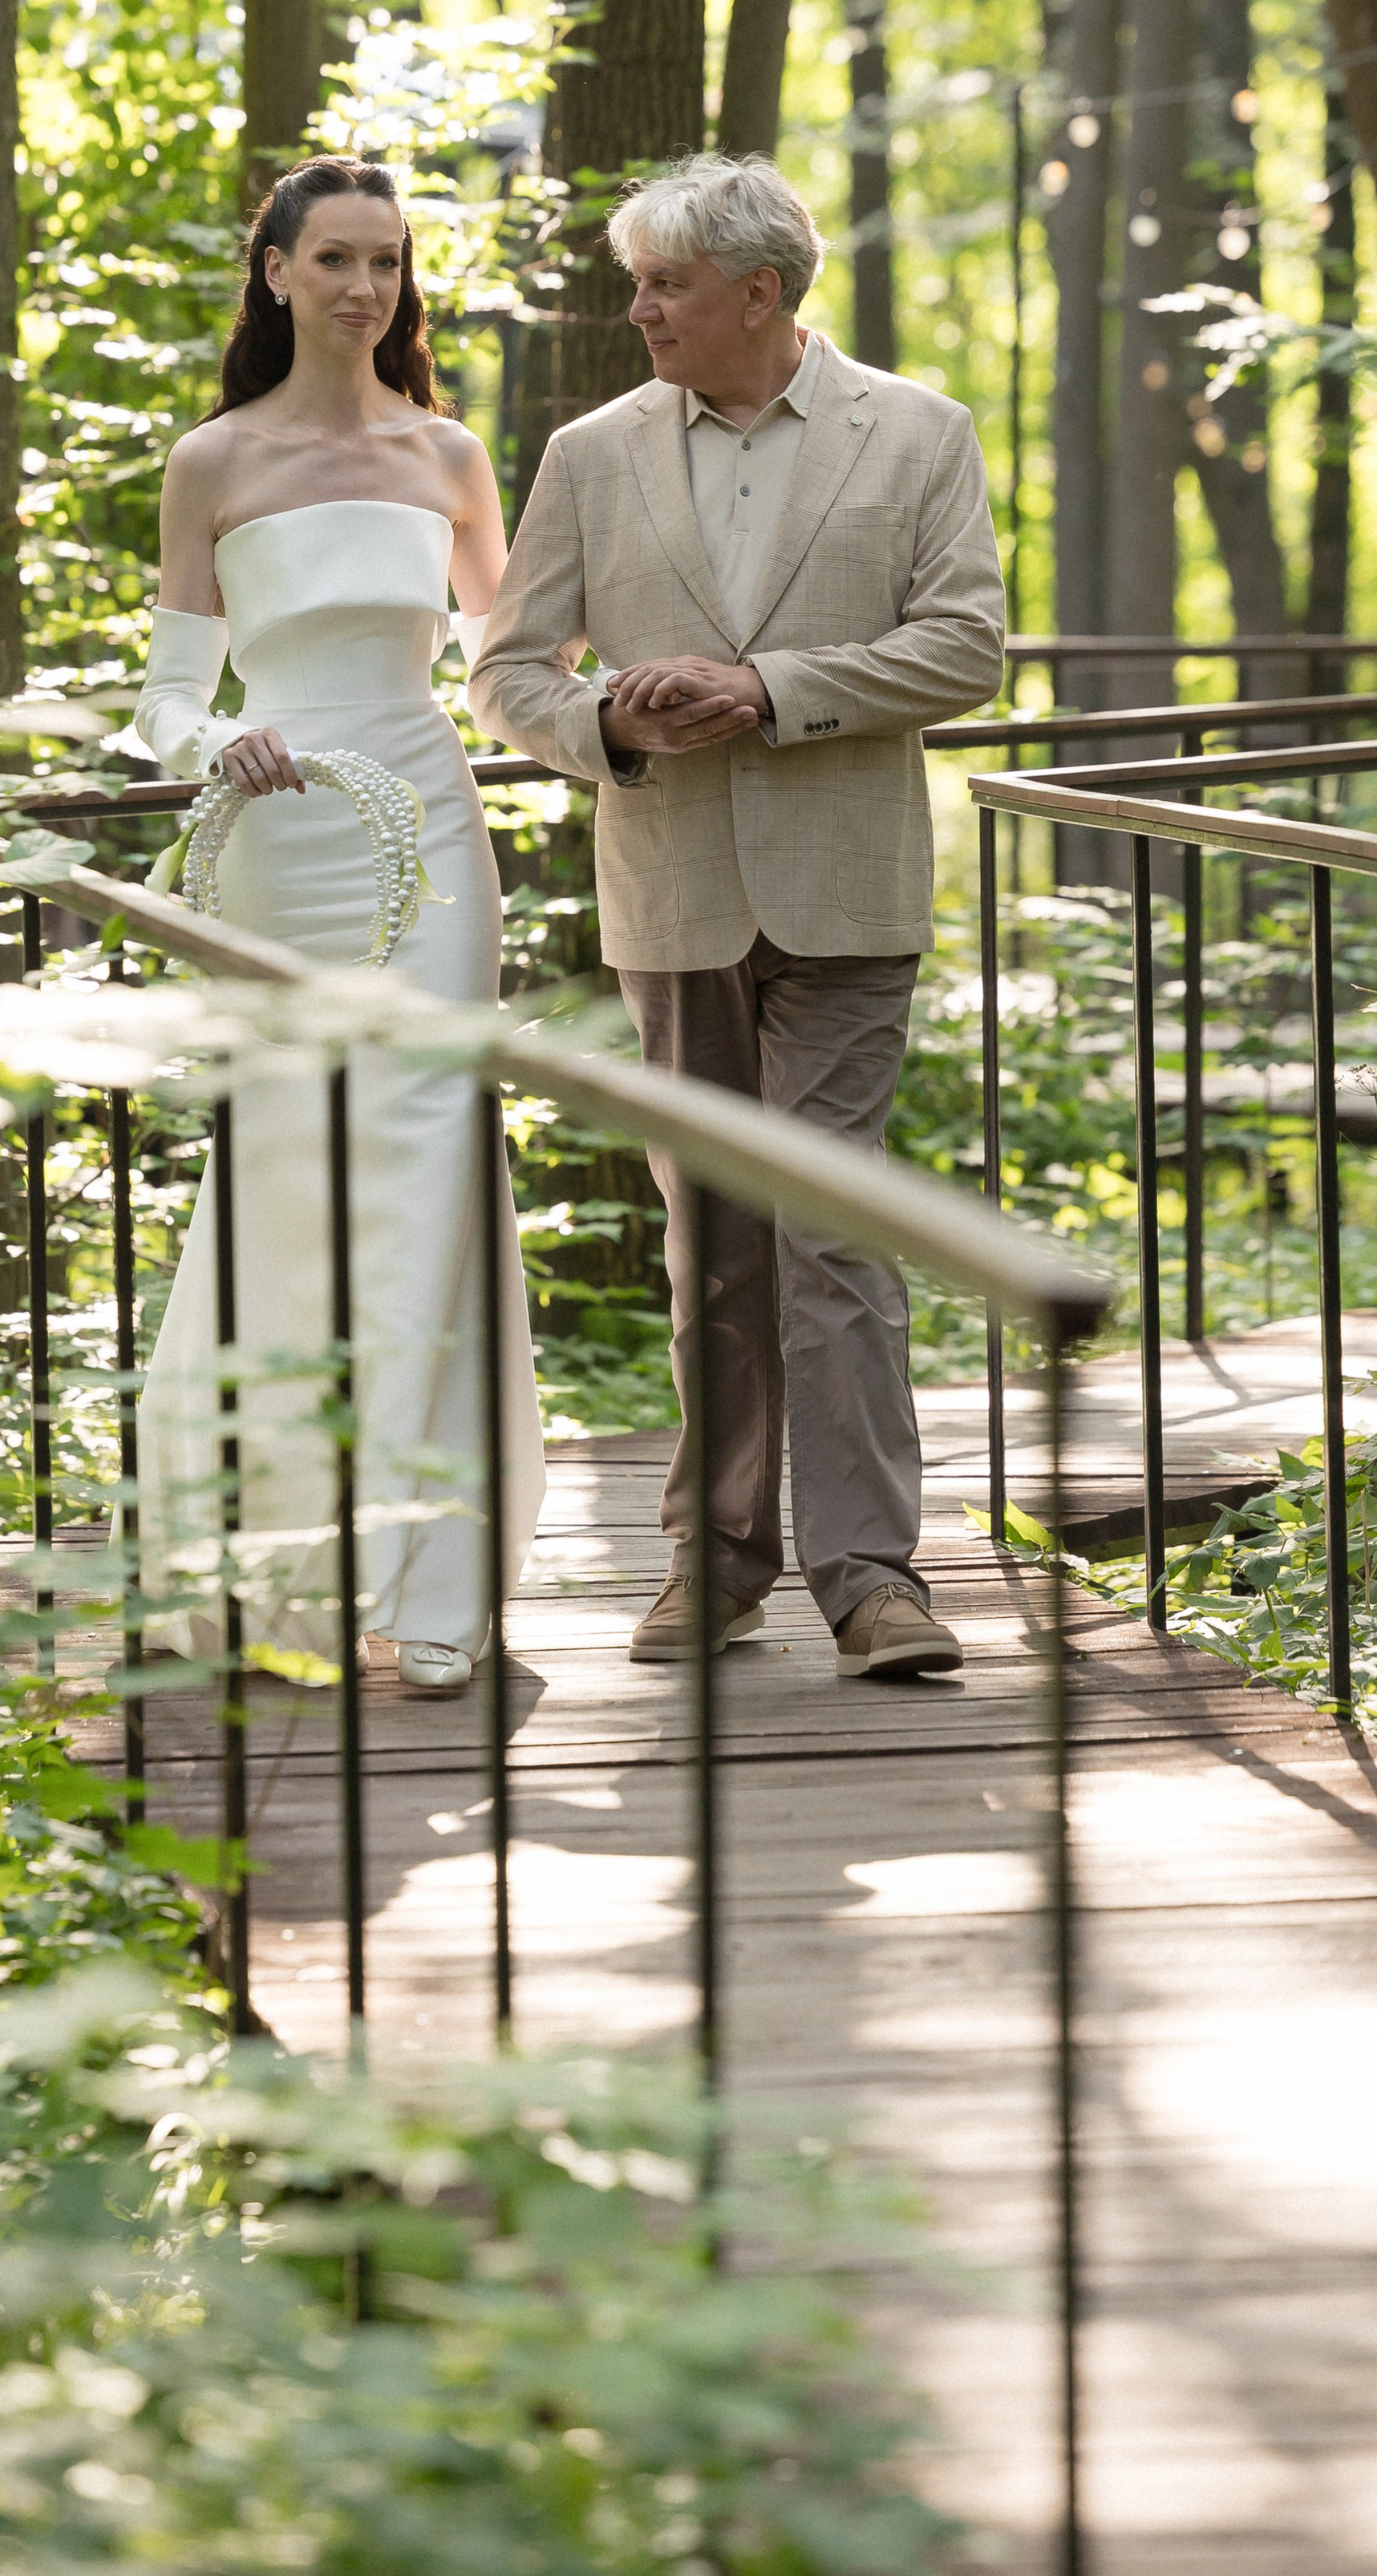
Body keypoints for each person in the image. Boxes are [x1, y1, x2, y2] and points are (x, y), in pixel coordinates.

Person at [471, 153, 1004, 1680]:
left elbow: (967, 645)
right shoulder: (589, 451)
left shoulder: (917, 433)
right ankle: (711, 1564)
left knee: (835, 1225)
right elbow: (509, 676)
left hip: (846, 889)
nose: (639, 310)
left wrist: (770, 693)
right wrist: (618, 728)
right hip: (673, 891)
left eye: (668, 287)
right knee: (711, 1237)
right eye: (640, 284)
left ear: (761, 293)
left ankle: (874, 1579)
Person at [132, 154, 544, 1696]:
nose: (366, 287)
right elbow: (168, 690)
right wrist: (205, 743)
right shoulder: (211, 462)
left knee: (433, 1160)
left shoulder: (448, 454)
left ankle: (438, 1574)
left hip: (429, 832)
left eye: (389, 262)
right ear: (279, 273)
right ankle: (267, 1575)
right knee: (286, 1173)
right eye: (338, 260)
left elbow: (513, 656)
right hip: (274, 834)